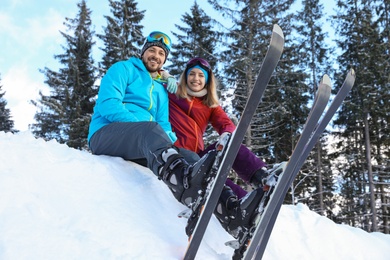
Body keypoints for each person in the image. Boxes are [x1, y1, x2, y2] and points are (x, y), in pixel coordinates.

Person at [87, 31, 217, 210]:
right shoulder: (124, 69)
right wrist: (140, 128)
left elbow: (163, 124)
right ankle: (182, 186)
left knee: (191, 157)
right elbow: (108, 104)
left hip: (142, 142)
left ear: (164, 61)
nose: (156, 56)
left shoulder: (160, 90)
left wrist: (172, 147)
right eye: (152, 50)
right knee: (150, 129)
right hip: (105, 134)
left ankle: (230, 211)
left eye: (161, 53)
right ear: (143, 52)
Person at [165, 57, 278, 240]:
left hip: (198, 153)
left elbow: (226, 124)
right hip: (176, 153)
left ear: (208, 80)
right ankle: (239, 204)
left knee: (231, 146)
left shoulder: (209, 104)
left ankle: (260, 181)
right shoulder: (171, 92)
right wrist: (165, 76)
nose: (196, 78)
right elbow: (152, 80)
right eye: (191, 74)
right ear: (184, 76)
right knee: (212, 176)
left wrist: (226, 134)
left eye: (201, 75)